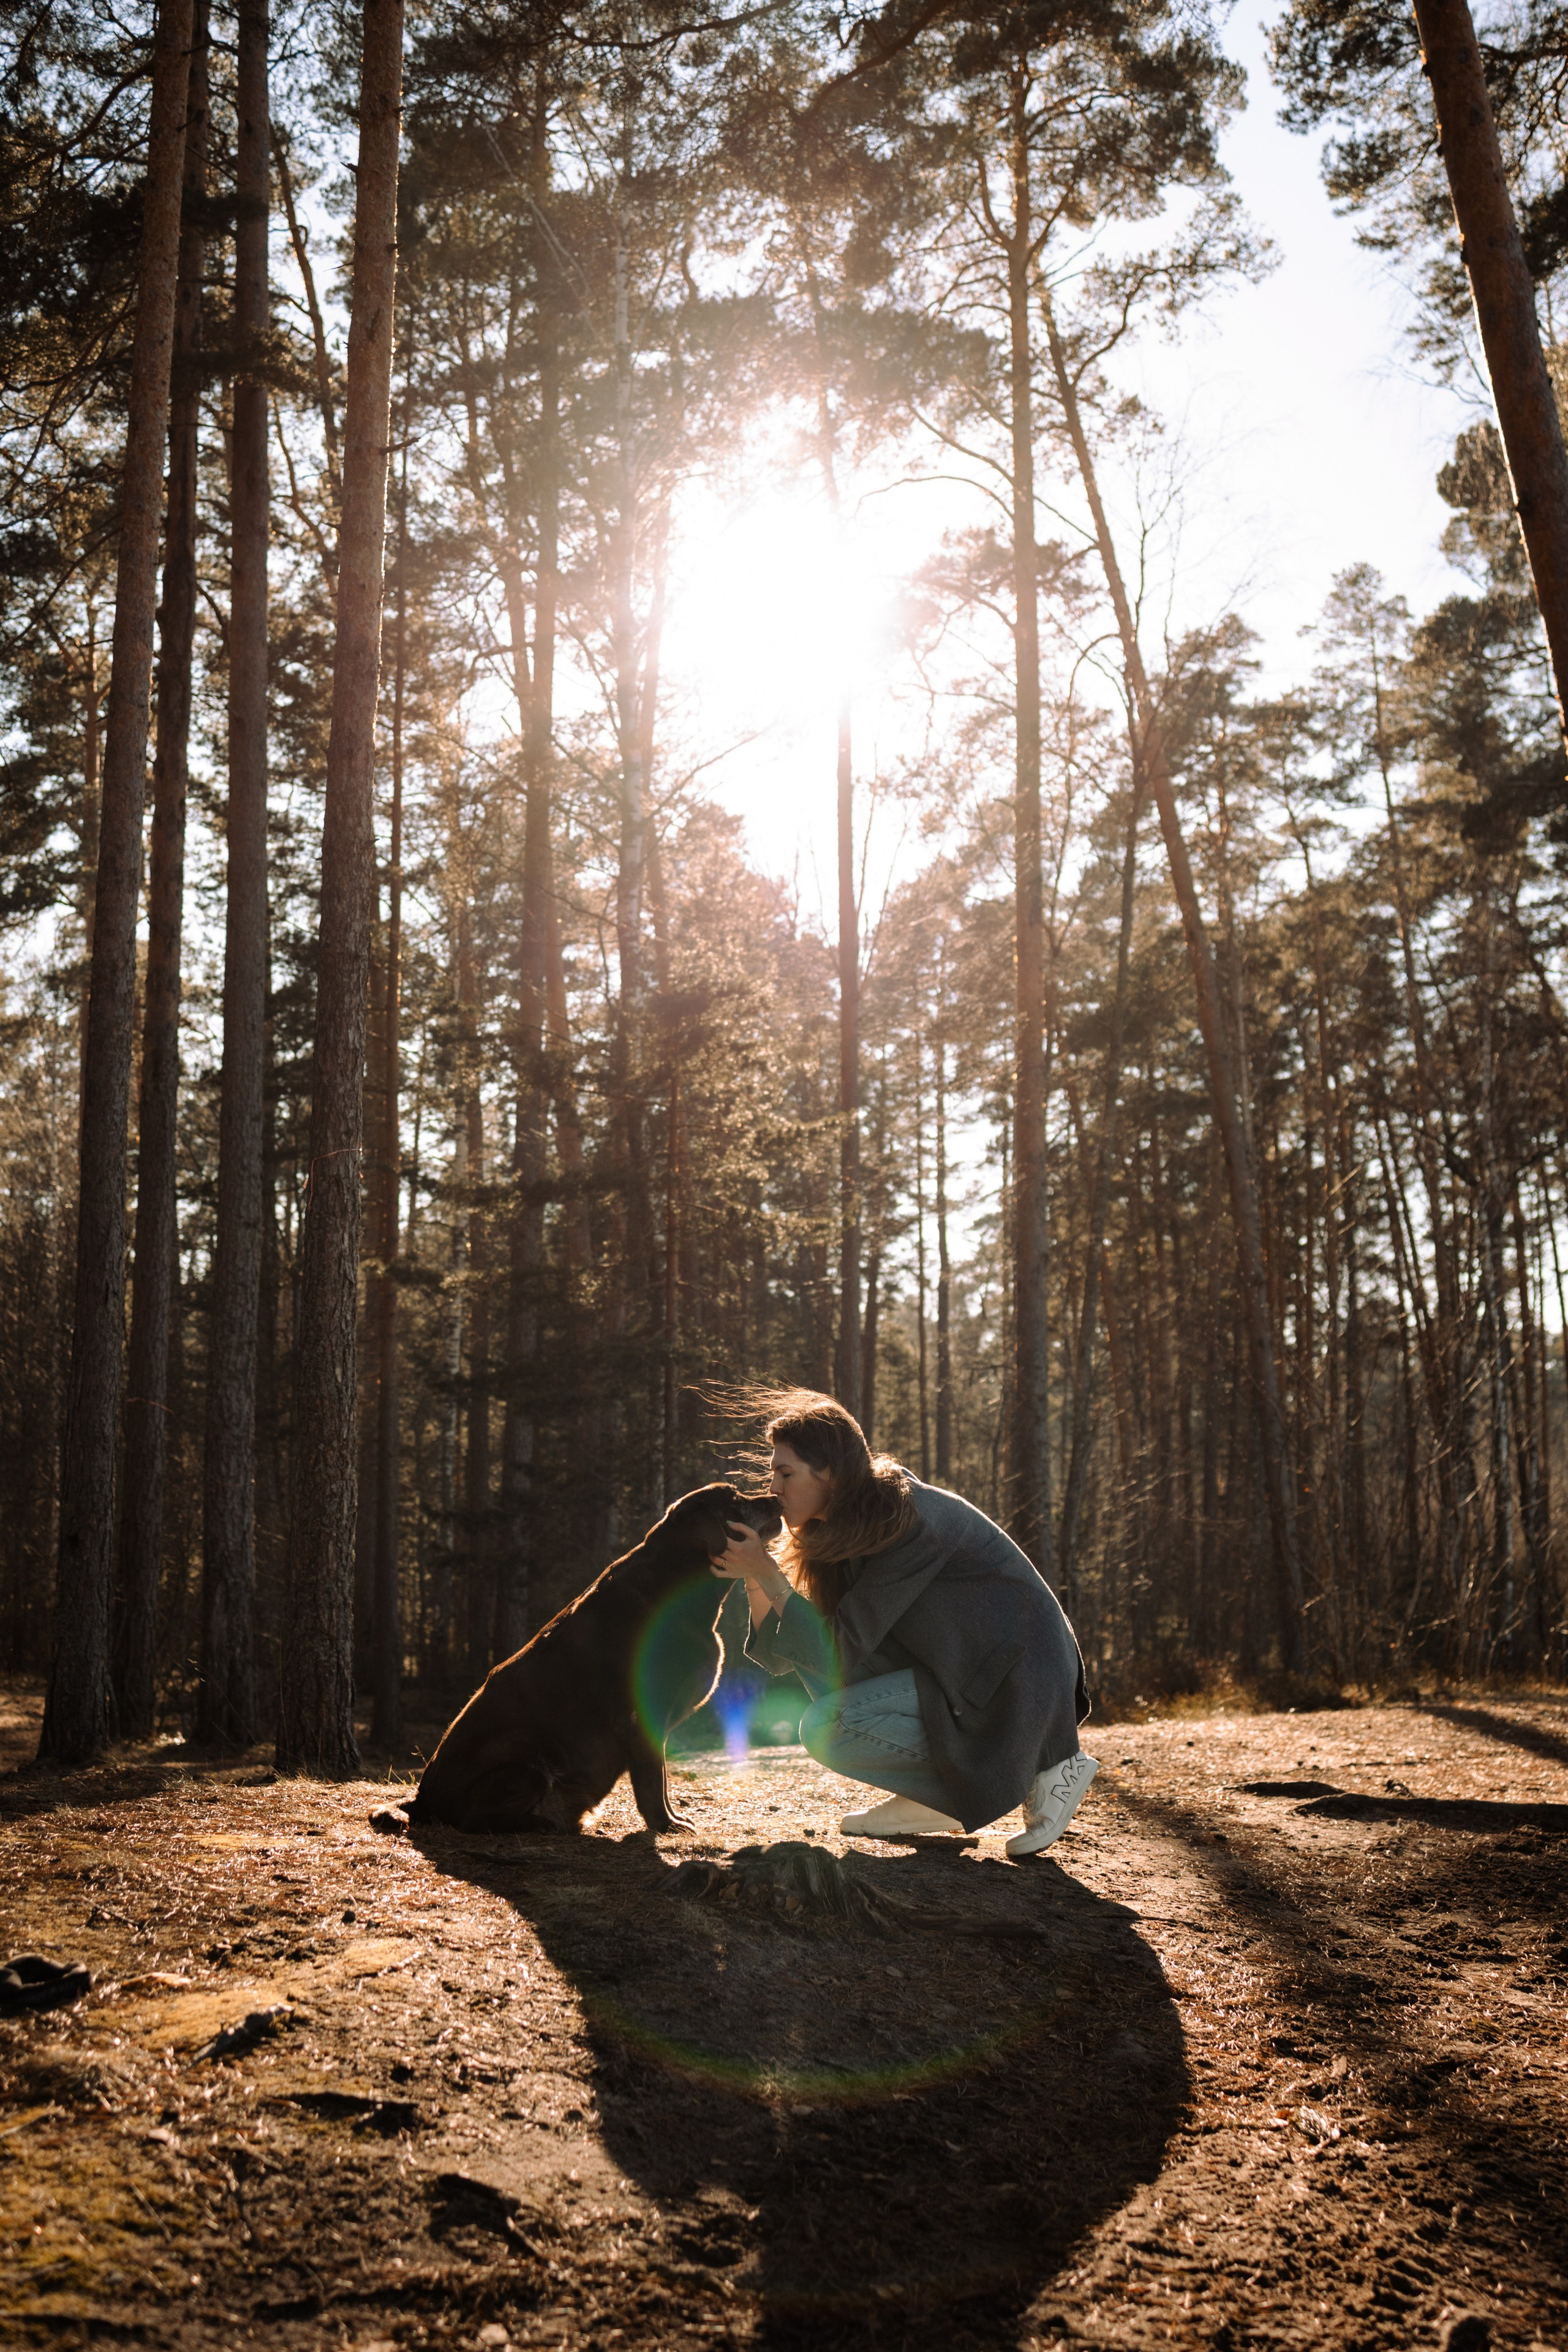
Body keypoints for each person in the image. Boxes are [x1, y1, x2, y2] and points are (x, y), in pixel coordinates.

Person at [710, 1390, 1098, 1857]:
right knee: (829, 1695)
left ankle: (1056, 1764)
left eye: (785, 1473)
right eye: (773, 1473)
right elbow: (792, 1655)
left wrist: (768, 1574)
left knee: (827, 1724)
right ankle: (940, 1801)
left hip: (1021, 1678)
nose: (773, 1488)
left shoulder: (906, 1521)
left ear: (829, 1472)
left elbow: (838, 1647)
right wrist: (758, 1574)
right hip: (959, 1671)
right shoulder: (842, 1531)